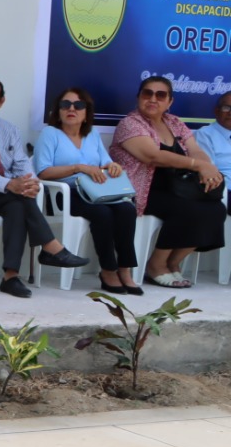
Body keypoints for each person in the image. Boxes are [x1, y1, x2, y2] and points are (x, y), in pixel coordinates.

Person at [0, 76, 87, 297]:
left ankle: (10, 277)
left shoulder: (10, 129)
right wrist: (10, 184)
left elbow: (22, 163)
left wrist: (30, 184)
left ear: (1, 101)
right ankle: (51, 248)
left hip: (11, 193)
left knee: (17, 205)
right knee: (18, 199)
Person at [110, 76, 226, 288]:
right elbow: (152, 156)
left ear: (169, 101)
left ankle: (173, 263)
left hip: (176, 187)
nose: (153, 99)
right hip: (143, 189)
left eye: (160, 95)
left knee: (216, 209)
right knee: (188, 210)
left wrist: (206, 167)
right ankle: (156, 265)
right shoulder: (130, 123)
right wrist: (196, 165)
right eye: (147, 93)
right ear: (138, 97)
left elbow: (196, 150)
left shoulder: (174, 122)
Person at [32, 86, 139, 294]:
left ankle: (125, 269)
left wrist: (113, 166)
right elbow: (43, 172)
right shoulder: (50, 134)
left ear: (86, 112)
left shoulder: (92, 135)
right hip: (65, 193)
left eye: (78, 105)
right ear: (58, 111)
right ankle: (108, 270)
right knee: (103, 213)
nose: (71, 109)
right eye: (65, 105)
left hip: (97, 192)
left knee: (127, 209)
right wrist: (78, 168)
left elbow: (106, 163)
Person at [195, 91, 231, 178]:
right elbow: (207, 172)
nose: (230, 113)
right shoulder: (204, 135)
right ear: (216, 111)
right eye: (226, 108)